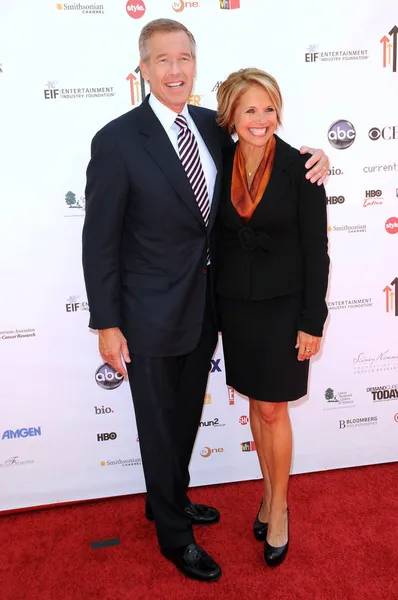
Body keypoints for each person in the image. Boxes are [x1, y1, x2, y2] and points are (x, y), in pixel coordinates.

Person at [82, 19, 329, 582]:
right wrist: (106, 321)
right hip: (146, 311)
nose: (175, 70)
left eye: (184, 58)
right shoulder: (117, 140)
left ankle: (169, 497)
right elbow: (99, 240)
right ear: (142, 69)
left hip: (209, 307)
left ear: (195, 66)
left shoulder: (211, 126)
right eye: (163, 60)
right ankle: (174, 534)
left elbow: (264, 152)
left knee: (186, 417)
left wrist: (317, 158)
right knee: (159, 420)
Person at [215, 68, 330, 567]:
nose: (261, 120)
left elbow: (316, 250)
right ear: (231, 117)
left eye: (268, 108)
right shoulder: (216, 157)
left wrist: (313, 319)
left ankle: (279, 509)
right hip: (236, 305)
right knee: (255, 408)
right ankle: (268, 492)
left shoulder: (302, 166)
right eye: (249, 110)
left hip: (286, 307)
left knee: (271, 410)